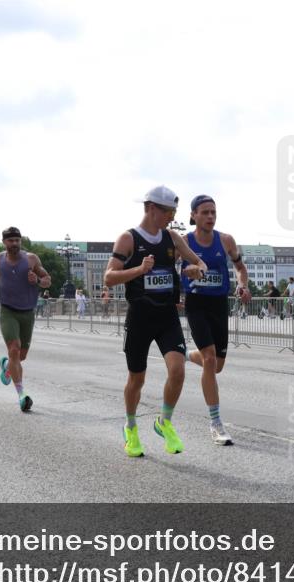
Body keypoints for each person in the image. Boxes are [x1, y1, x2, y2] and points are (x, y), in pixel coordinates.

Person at [104, 185, 208, 457]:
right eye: (168, 212)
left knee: (178, 370)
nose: (171, 217)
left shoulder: (172, 238)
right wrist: (140, 269)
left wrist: (196, 270)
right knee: (136, 379)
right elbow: (109, 277)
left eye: (174, 212)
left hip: (167, 316)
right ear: (151, 208)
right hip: (139, 317)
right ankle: (130, 427)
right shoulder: (128, 239)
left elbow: (199, 263)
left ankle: (164, 422)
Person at [180, 194, 250, 446]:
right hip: (197, 304)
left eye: (213, 212)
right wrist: (183, 278)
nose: (210, 216)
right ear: (193, 216)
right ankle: (216, 423)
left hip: (219, 306)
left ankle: (187, 354)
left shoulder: (226, 240)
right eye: (205, 212)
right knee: (209, 359)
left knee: (217, 365)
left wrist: (242, 287)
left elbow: (240, 268)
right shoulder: (184, 241)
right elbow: (166, 268)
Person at [0, 226, 53, 412]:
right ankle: (22, 395)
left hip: (27, 312)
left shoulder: (31, 259)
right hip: (7, 311)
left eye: (17, 240)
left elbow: (47, 280)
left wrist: (37, 281)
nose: (14, 244)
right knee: (14, 349)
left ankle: (7, 365)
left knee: (21, 355)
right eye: (10, 240)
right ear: (4, 242)